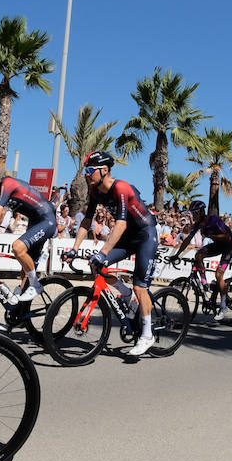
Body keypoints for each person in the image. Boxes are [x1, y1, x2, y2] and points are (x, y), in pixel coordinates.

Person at [62, 151, 161, 356]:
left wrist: (103, 251)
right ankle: (125, 294)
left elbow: (121, 224)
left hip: (145, 234)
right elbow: (87, 221)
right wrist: (74, 248)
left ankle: (147, 335)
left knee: (140, 287)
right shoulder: (94, 191)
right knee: (96, 265)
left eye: (90, 170)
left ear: (104, 170)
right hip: (128, 236)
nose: (87, 174)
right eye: (86, 170)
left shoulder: (121, 187)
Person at [0, 162, 58, 304]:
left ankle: (36, 285)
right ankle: (19, 311)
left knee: (17, 247)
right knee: (25, 269)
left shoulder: (7, 184)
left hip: (47, 220)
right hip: (36, 222)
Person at [171, 200, 232, 319]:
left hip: (229, 245)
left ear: (201, 211)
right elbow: (188, 239)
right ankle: (204, 281)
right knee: (199, 255)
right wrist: (178, 254)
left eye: (194, 213)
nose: (192, 216)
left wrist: (212, 236)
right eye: (191, 213)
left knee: (218, 275)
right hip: (217, 245)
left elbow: (227, 237)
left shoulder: (213, 220)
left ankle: (223, 306)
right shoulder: (198, 224)